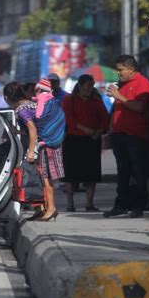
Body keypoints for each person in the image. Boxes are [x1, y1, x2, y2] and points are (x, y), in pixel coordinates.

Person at [4, 81, 64, 221]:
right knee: (39, 179)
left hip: (41, 146)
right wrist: (18, 131)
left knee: (43, 178)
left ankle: (50, 208)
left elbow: (32, 129)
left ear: (6, 97)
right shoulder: (30, 103)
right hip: (44, 143)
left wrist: (31, 152)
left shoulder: (21, 108)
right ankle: (42, 209)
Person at [103, 55, 149, 218]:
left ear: (130, 69)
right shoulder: (122, 85)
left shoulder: (143, 84)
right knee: (123, 172)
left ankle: (139, 205)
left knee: (138, 172)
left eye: (120, 70)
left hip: (136, 136)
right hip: (119, 135)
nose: (118, 73)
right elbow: (116, 111)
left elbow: (140, 107)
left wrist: (119, 96)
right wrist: (110, 131)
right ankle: (121, 204)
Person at [62, 74, 109, 212]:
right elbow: (69, 119)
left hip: (92, 140)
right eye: (88, 86)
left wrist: (98, 131)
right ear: (80, 86)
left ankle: (89, 203)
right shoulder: (69, 99)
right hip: (74, 139)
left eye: (91, 86)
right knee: (71, 174)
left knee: (91, 173)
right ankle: (70, 203)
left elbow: (105, 119)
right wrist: (85, 129)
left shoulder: (96, 101)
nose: (90, 89)